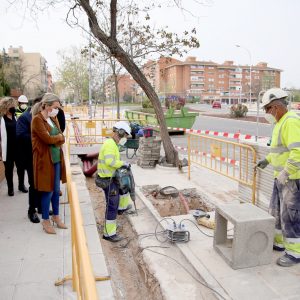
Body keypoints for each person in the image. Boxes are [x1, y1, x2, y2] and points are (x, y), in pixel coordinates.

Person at [256, 88, 300, 267]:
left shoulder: (290, 122)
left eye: (267, 109)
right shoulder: (280, 122)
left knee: (291, 216)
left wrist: (286, 173)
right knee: (276, 212)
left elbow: (298, 151)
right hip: (280, 178)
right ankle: (279, 243)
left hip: (291, 179)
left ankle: (294, 253)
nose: (267, 113)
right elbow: (281, 150)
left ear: (276, 106)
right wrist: (266, 160)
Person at [31, 93, 67, 234]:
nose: (56, 109)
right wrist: (56, 138)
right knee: (48, 191)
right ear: (46, 105)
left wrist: (56, 137)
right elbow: (47, 139)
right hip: (44, 161)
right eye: (55, 107)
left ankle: (56, 217)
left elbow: (61, 137)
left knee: (56, 191)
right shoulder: (37, 120)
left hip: (56, 159)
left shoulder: (53, 118)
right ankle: (45, 221)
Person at [97, 121, 132, 242]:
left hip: (110, 178)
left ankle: (110, 229)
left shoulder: (112, 144)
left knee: (114, 203)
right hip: (108, 180)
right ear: (121, 133)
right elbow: (110, 162)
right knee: (112, 205)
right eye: (126, 135)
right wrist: (123, 163)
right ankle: (109, 234)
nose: (126, 138)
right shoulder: (110, 144)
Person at [16, 95, 44, 223]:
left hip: (41, 156)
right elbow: (20, 136)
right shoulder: (24, 118)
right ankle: (31, 210)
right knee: (33, 184)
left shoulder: (42, 117)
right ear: (36, 104)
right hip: (29, 157)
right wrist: (37, 137)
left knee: (40, 183)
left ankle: (40, 207)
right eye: (43, 105)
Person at [0, 97, 28, 196]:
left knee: (21, 167)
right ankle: (10, 188)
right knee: (9, 169)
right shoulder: (1, 119)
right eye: (11, 106)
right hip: (7, 149)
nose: (14, 108)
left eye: (14, 106)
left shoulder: (16, 117)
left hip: (18, 147)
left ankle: (21, 185)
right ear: (6, 107)